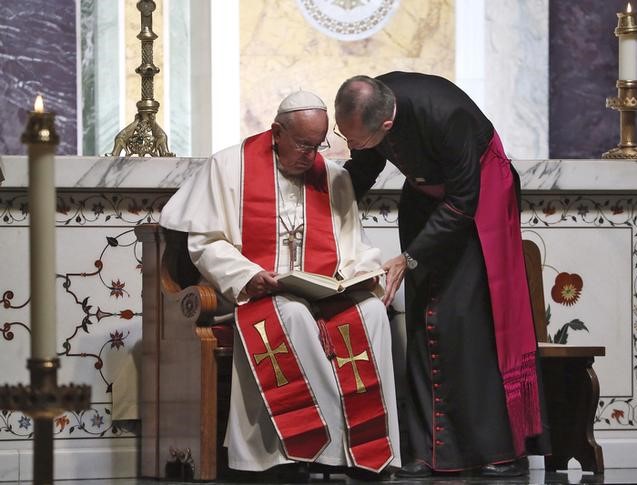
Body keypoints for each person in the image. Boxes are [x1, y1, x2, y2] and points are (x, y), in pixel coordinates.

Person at [160, 91, 400, 478]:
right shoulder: (230, 167)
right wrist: (246, 275)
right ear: (277, 132)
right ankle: (307, 449)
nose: (312, 155)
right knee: (291, 314)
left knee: (371, 311)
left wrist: (360, 274)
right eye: (304, 144)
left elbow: (355, 244)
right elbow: (204, 242)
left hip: (319, 290)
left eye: (318, 144)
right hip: (254, 291)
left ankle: (365, 449)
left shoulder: (332, 177)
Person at [334, 72, 549, 478]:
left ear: (385, 125)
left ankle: (496, 450)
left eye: (356, 139)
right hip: (424, 201)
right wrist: (325, 211)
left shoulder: (446, 116)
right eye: (345, 135)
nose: (351, 145)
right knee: (422, 318)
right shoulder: (371, 106)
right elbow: (361, 170)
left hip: (477, 205)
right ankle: (426, 450)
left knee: (466, 320)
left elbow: (464, 200)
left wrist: (409, 257)